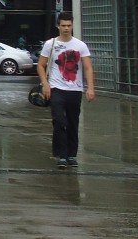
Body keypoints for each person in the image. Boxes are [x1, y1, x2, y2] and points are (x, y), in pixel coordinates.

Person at [37, 11, 95, 169]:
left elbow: (88, 68)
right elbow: (41, 65)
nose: (66, 28)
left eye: (69, 25)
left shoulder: (80, 45)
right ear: (58, 26)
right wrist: (45, 84)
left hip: (75, 90)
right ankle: (61, 155)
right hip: (57, 88)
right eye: (63, 25)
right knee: (59, 122)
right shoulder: (51, 44)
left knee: (72, 122)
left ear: (72, 26)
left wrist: (90, 88)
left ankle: (71, 155)